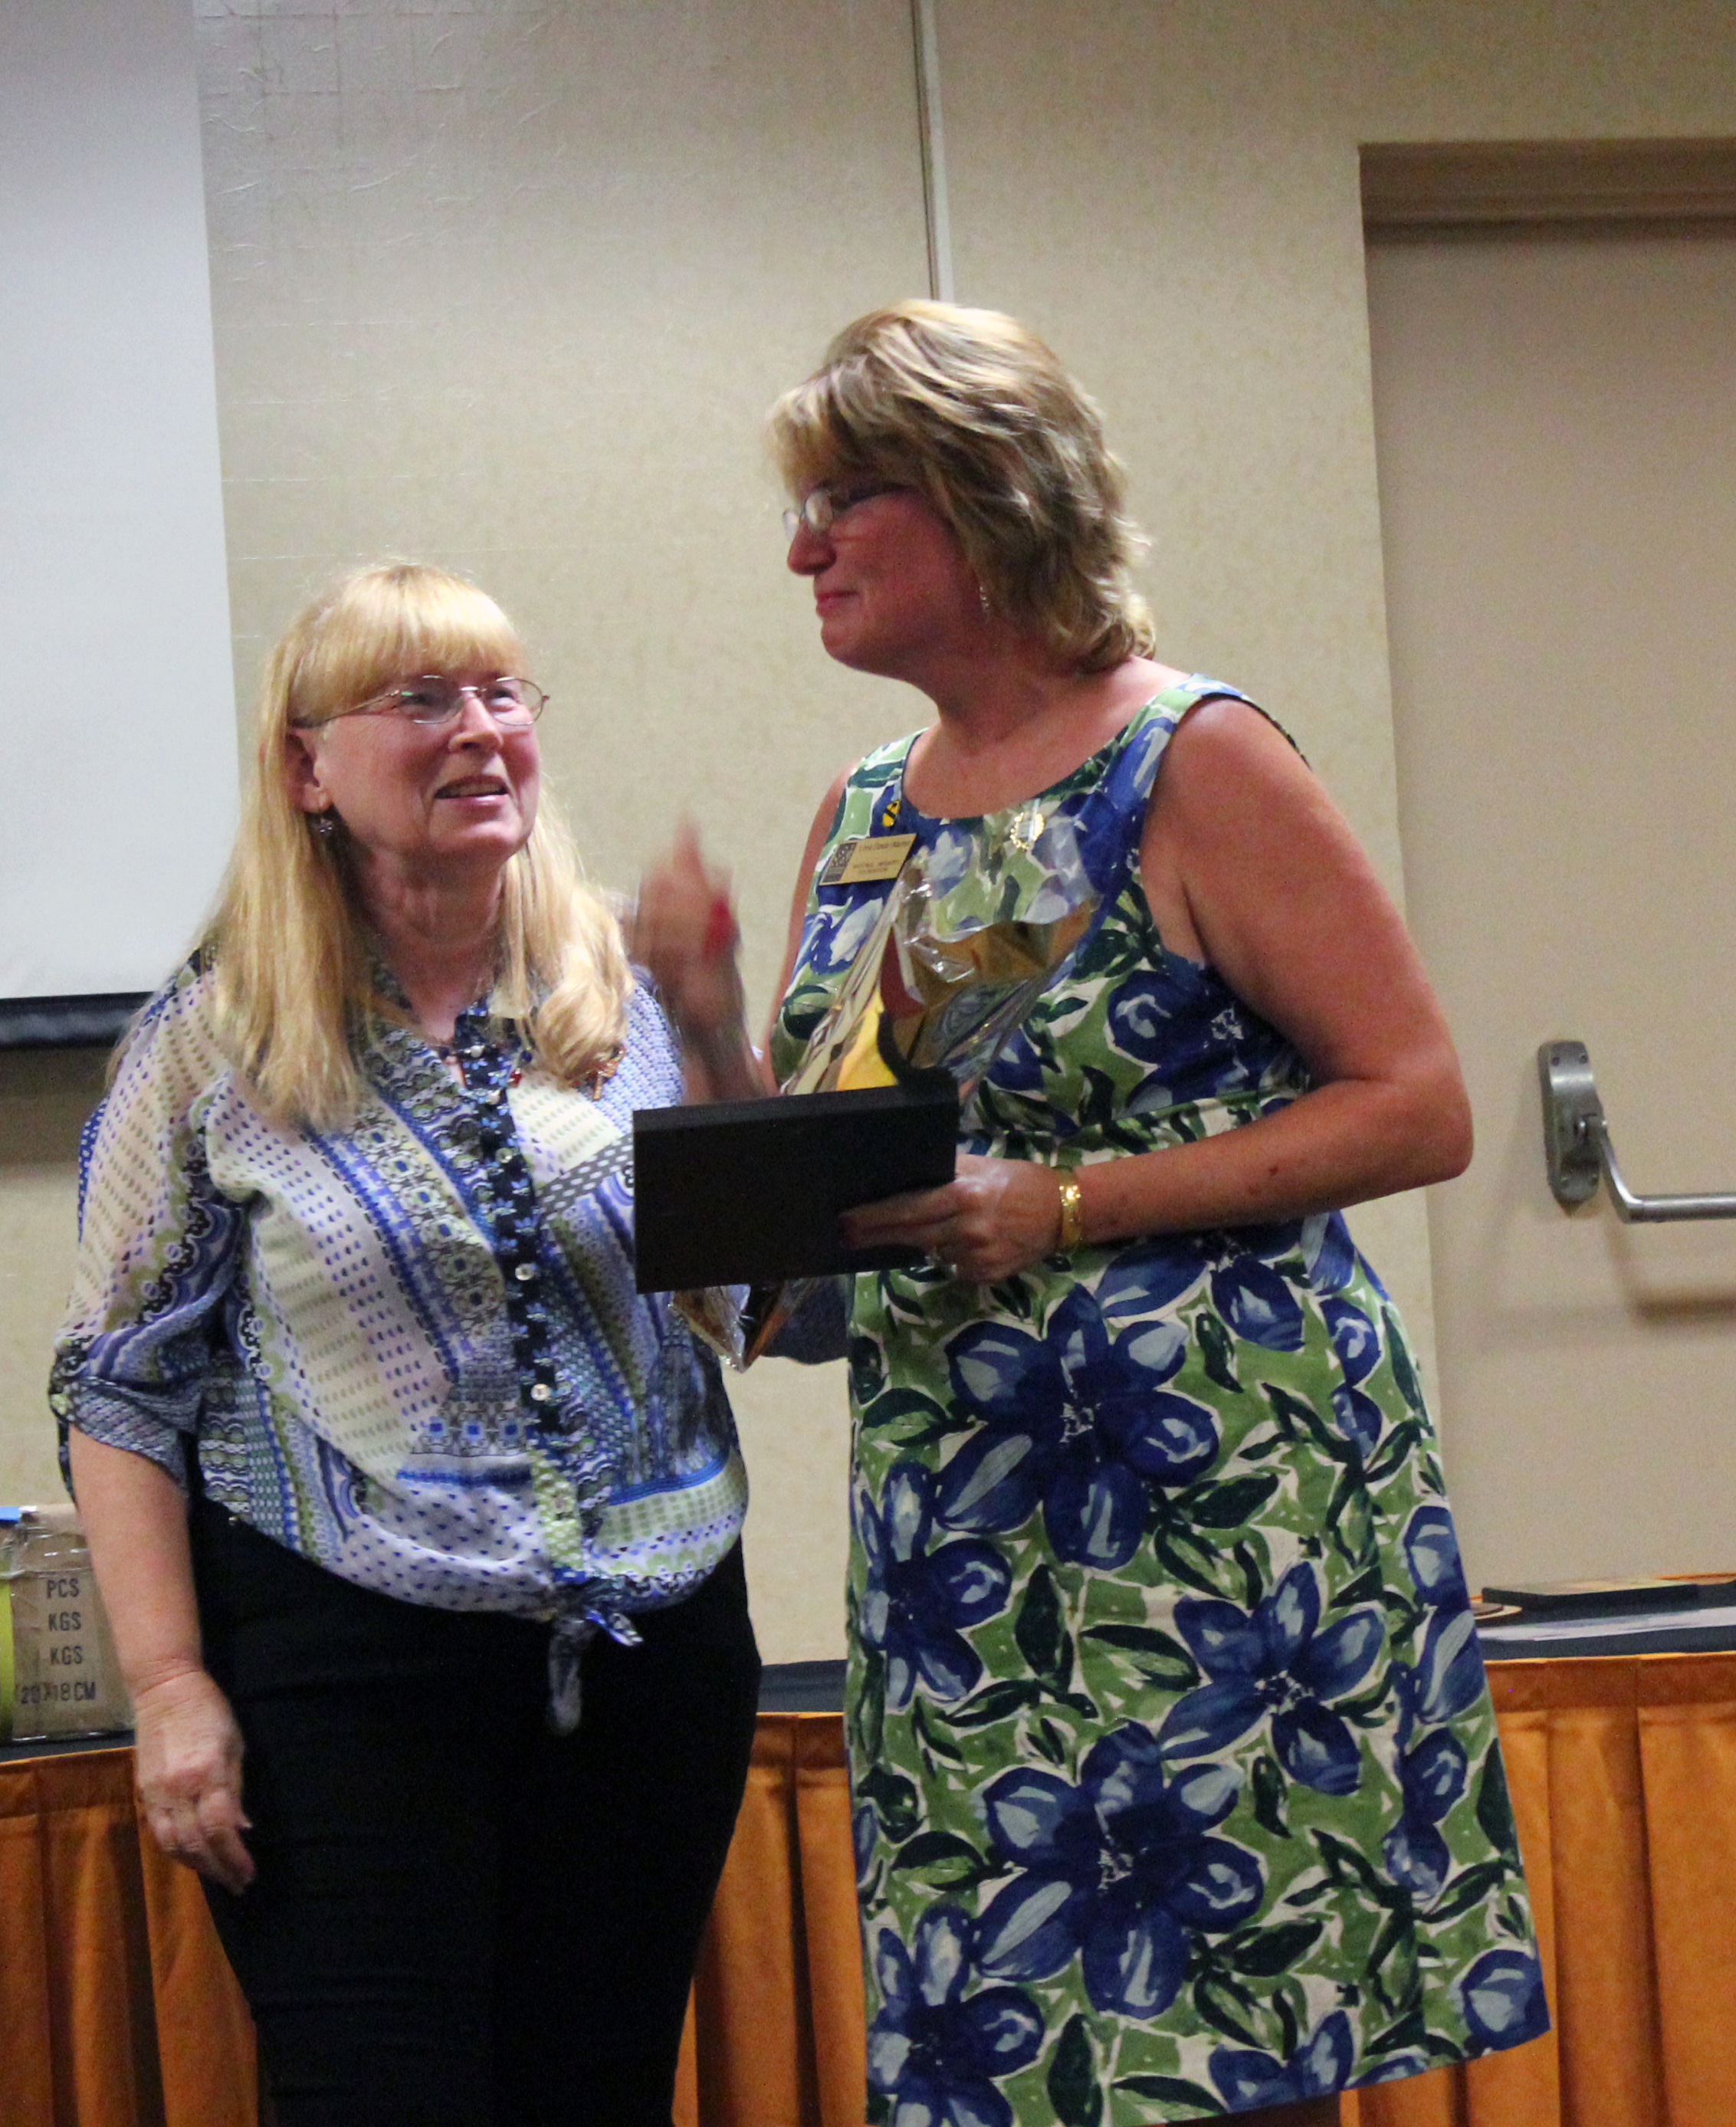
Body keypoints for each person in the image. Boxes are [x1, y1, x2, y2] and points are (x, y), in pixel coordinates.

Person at [634, 304, 1547, 2127]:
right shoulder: (867, 813)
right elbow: (823, 1210)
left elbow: (1419, 1100)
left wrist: (1067, 1202)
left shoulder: (1192, 758)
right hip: (967, 1527)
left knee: (1228, 2036)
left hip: (1213, 1501)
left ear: (990, 498)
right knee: (1021, 2052)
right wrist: (713, 1020)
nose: (804, 549)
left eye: (845, 499)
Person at [51, 563, 760, 2127]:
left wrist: (719, 1032)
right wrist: (168, 1683)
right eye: (422, 700)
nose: (480, 731)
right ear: (308, 768)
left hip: (652, 1663)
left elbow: (778, 1301)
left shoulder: (632, 994)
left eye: (503, 694)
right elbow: (118, 1387)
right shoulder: (217, 1037)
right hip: (345, 1674)